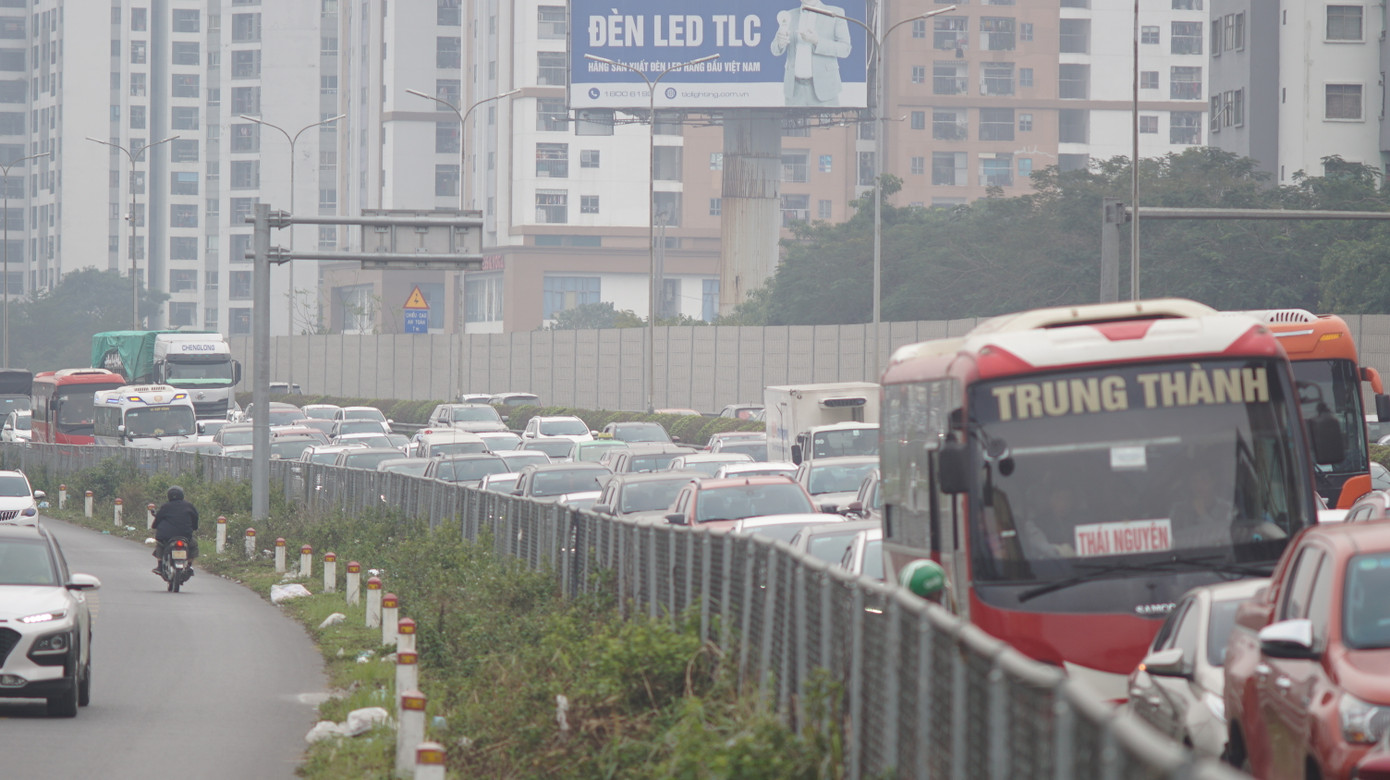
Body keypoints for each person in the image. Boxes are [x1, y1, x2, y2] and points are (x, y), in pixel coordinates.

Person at [770, 0, 853, 107]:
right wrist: (780, 43)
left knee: (827, 124)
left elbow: (845, 49)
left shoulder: (835, 13)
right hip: (794, 91)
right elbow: (774, 49)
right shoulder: (789, 15)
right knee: (791, 124)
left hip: (825, 90)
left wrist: (817, 41)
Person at [151, 485, 199, 575]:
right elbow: (195, 518)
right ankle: (189, 565)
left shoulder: (165, 506)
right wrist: (194, 527)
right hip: (185, 535)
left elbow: (158, 519)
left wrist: (154, 526)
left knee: (160, 545)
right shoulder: (189, 506)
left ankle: (160, 565)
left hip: (166, 536)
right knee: (193, 546)